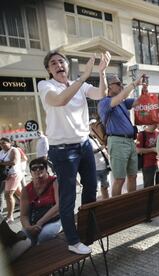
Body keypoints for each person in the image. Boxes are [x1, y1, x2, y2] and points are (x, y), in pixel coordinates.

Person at [37, 50, 111, 255]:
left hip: (84, 145)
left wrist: (101, 73)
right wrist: (84, 76)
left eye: (61, 61)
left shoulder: (80, 86)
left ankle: (87, 229)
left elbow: (100, 94)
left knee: (90, 189)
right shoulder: (46, 86)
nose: (58, 64)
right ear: (49, 70)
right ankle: (72, 240)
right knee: (68, 196)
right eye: (53, 63)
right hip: (62, 151)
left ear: (67, 65)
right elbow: (60, 100)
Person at [98, 74, 143, 196]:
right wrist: (134, 83)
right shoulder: (104, 102)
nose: (121, 86)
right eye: (118, 84)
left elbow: (140, 101)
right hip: (117, 142)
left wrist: (144, 88)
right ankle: (117, 209)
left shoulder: (122, 103)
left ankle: (131, 204)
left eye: (121, 83)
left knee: (133, 176)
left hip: (129, 141)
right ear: (109, 87)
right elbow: (122, 96)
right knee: (119, 179)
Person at [20, 158, 61, 245]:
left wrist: (40, 223)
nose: (38, 170)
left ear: (46, 169)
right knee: (24, 237)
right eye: (34, 168)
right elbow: (24, 215)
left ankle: (46, 256)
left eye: (41, 167)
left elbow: (59, 206)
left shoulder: (55, 182)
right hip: (33, 222)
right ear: (30, 172)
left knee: (45, 235)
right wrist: (28, 227)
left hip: (54, 219)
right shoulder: (26, 189)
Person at [0, 137, 22, 223]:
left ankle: (10, 216)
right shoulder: (1, 152)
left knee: (8, 195)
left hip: (14, 175)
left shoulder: (14, 150)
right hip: (6, 176)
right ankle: (31, 206)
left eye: (4, 143)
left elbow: (14, 162)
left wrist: (1, 163)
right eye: (1, 143)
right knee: (20, 194)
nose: (2, 145)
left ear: (10, 143)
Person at [89, 124, 110, 199]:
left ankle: (106, 203)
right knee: (95, 189)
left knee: (105, 187)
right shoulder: (88, 140)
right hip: (96, 167)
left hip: (103, 166)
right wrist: (100, 149)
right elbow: (89, 152)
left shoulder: (98, 138)